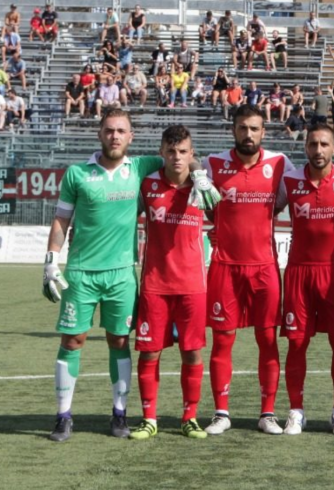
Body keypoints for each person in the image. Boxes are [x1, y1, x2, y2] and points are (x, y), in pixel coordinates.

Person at [42, 109, 218, 442]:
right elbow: (62, 220)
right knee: (72, 340)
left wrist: (199, 173)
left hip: (123, 274)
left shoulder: (138, 167)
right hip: (80, 273)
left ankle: (120, 415)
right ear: (99, 133)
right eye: (109, 130)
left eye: (121, 131)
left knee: (120, 341)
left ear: (131, 137)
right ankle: (63, 416)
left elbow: (182, 157)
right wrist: (52, 259)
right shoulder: (77, 173)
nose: (114, 136)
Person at [201, 105, 295, 436]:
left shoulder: (280, 164)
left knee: (267, 338)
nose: (248, 134)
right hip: (224, 267)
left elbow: (298, 193)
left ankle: (267, 413)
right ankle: (221, 413)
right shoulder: (212, 165)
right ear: (233, 130)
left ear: (263, 132)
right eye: (243, 128)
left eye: (254, 128)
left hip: (265, 267)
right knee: (222, 339)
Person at [273, 123, 334, 436]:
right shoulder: (289, 179)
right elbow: (266, 211)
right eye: (313, 144)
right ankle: (296, 411)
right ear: (305, 147)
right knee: (297, 343)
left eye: (325, 144)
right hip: (298, 272)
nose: (318, 150)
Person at [127, 125, 213, 441]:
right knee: (149, 354)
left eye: (183, 152)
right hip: (155, 285)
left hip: (193, 285)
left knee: (191, 353)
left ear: (191, 154)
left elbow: (223, 217)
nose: (176, 157)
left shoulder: (202, 186)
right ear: (161, 152)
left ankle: (189, 417)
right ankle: (149, 417)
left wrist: (201, 173)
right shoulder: (147, 184)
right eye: (171, 151)